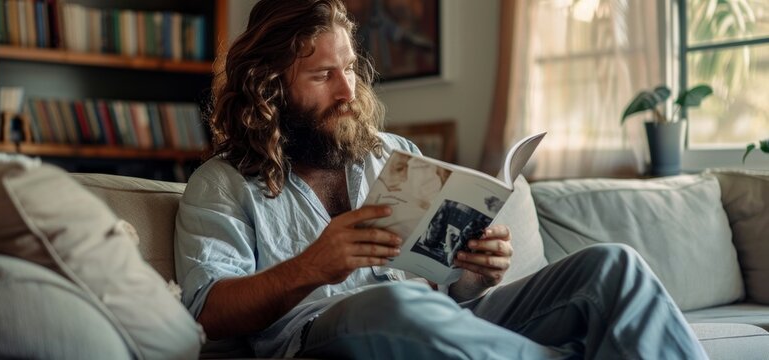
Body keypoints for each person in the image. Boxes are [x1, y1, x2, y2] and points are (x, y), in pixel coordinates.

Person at [174, 0, 708, 358]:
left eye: (350, 69)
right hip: (325, 333)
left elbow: (447, 289)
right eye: (321, 76)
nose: (347, 91)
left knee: (613, 267)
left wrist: (476, 271)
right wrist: (311, 267)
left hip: (438, 324)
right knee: (398, 304)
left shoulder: (392, 155)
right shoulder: (221, 184)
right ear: (269, 88)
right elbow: (208, 313)